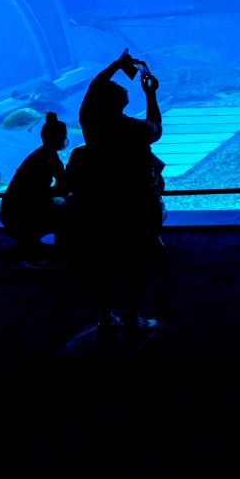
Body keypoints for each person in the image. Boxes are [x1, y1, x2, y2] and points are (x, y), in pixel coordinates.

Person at [69, 49, 164, 346]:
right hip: (140, 201)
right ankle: (133, 318)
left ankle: (106, 317)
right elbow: (157, 129)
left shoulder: (91, 122)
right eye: (122, 90)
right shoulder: (134, 128)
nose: (125, 88)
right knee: (139, 261)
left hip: (108, 201)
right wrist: (150, 94)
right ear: (121, 102)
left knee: (108, 260)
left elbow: (93, 89)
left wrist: (114, 66)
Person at [0, 111, 69, 250]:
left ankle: (32, 233)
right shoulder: (40, 162)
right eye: (63, 136)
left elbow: (63, 179)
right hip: (16, 213)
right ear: (57, 139)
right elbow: (35, 195)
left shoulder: (50, 156)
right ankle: (29, 234)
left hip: (18, 207)